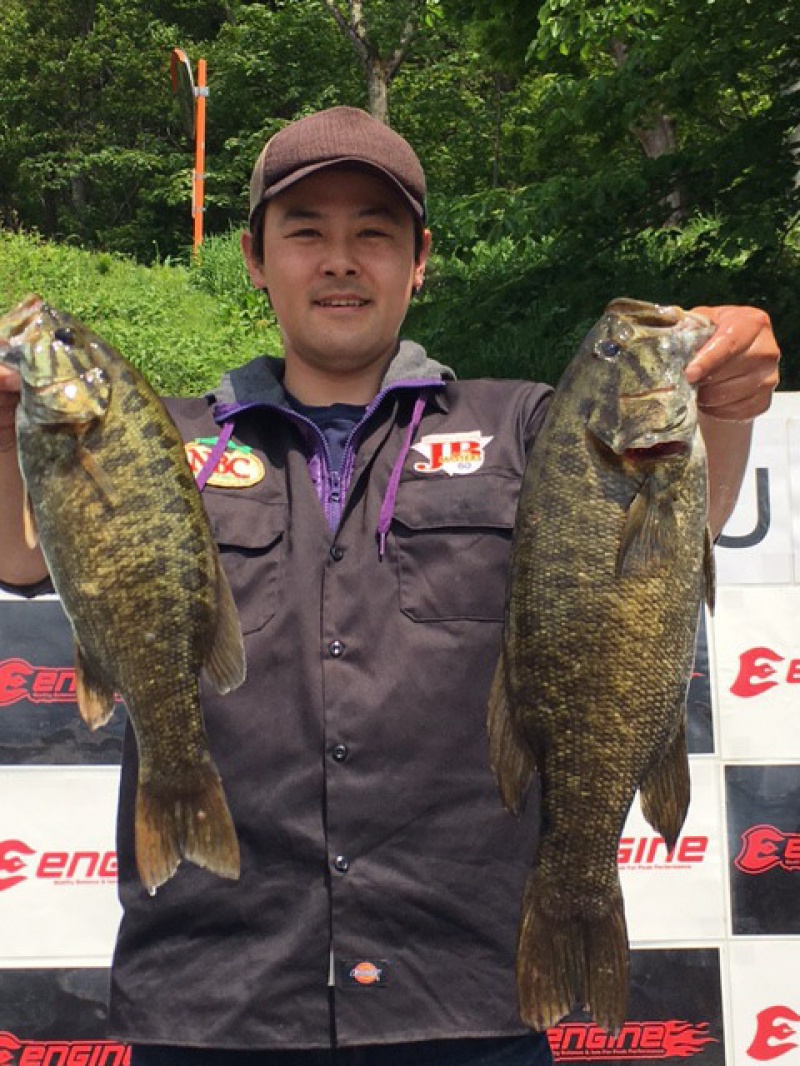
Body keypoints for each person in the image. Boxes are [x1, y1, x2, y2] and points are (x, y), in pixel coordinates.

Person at [0, 106, 781, 1065]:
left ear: (419, 262)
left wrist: (724, 400)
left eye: (374, 233)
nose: (339, 260)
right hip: (214, 993)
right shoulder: (164, 439)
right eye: (306, 232)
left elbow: (666, 543)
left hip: (469, 990)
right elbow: (23, 557)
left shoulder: (531, 424)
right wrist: (12, 432)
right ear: (254, 258)